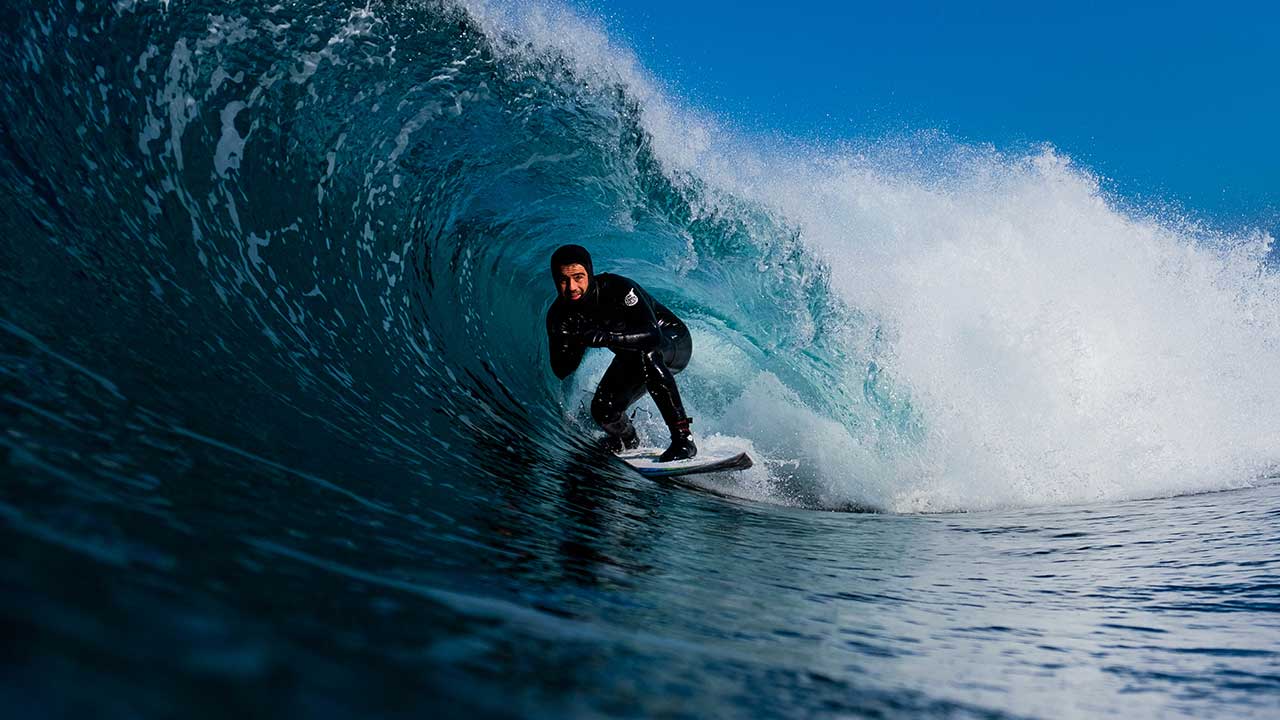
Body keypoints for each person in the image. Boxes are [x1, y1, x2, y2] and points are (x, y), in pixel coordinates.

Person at [545, 244, 697, 462]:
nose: (572, 287)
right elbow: (561, 370)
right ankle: (629, 440)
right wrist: (572, 341)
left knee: (647, 353)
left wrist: (606, 336)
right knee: (603, 411)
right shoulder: (558, 316)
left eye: (578, 277)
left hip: (674, 343)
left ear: (589, 273)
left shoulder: (618, 289)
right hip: (632, 353)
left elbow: (652, 336)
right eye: (563, 280)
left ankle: (684, 439)